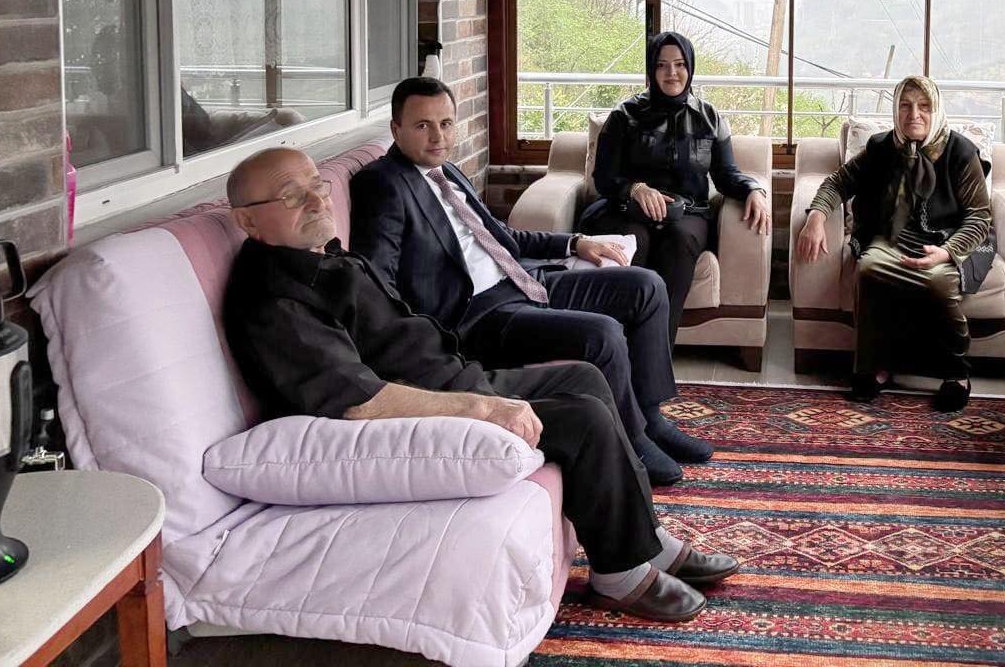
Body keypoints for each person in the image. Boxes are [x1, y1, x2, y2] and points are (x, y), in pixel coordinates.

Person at [222, 147, 740, 622]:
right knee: (582, 418)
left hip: (453, 375)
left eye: (316, 185)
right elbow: (359, 401)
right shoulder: (273, 299)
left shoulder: (318, 257)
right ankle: (619, 573)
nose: (317, 200)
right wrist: (485, 408)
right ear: (247, 220)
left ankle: (647, 538)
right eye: (292, 196)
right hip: (429, 410)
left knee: (584, 374)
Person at [350, 77, 709, 488]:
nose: (438, 136)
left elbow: (502, 237)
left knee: (646, 287)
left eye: (446, 124)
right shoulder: (383, 184)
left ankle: (650, 417)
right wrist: (423, 344)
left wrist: (576, 242)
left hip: (520, 279)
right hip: (478, 316)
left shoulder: (445, 171)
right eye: (422, 126)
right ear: (396, 129)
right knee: (603, 334)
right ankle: (633, 443)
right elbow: (377, 281)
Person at [794, 75, 993, 412]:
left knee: (937, 282)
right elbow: (838, 182)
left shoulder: (959, 152)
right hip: (891, 239)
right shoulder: (882, 147)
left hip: (945, 241)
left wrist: (946, 252)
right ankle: (875, 366)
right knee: (869, 269)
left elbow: (979, 217)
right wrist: (815, 216)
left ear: (936, 109)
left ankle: (956, 373)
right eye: (905, 105)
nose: (914, 114)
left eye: (924, 106)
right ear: (896, 109)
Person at [582, 32, 771, 337]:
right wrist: (635, 188)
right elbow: (603, 178)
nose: (672, 73)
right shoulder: (623, 116)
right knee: (634, 239)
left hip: (688, 213)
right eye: (662, 65)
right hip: (626, 209)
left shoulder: (710, 118)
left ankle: (655, 349)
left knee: (680, 240)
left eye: (680, 64)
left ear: (690, 67)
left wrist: (753, 189)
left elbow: (726, 175)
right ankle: (616, 344)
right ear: (651, 69)